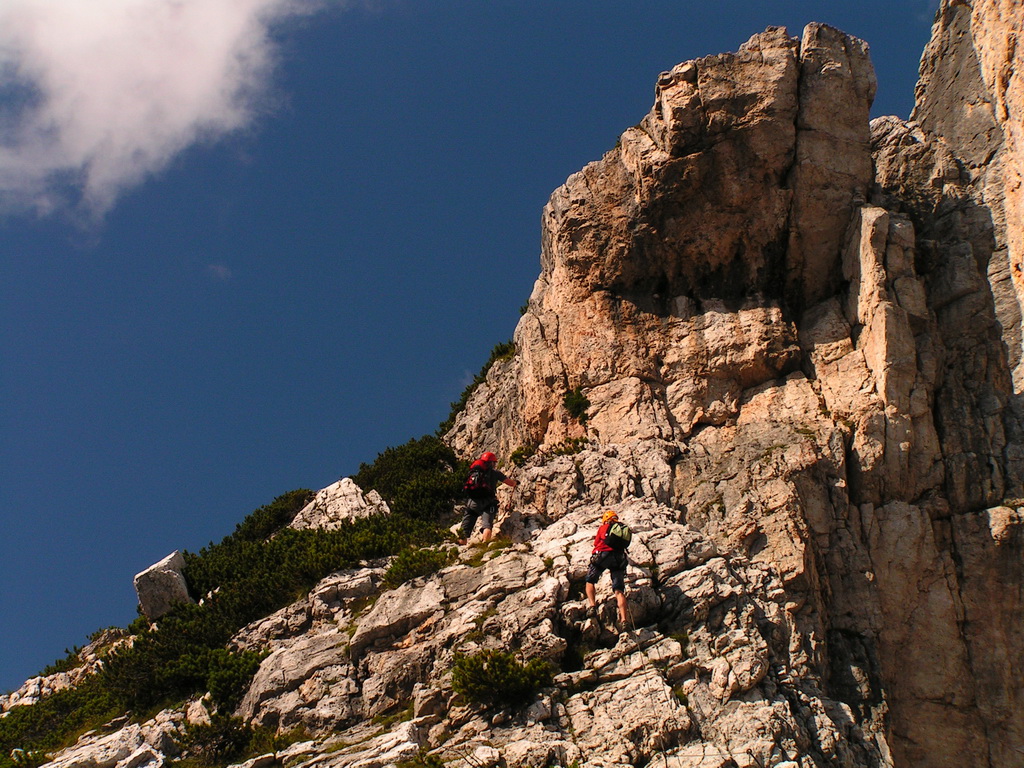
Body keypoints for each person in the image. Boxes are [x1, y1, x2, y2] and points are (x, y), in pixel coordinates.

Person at [458, 451, 517, 545]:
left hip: (473, 502)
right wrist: (515, 483)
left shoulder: (474, 472)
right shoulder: (495, 473)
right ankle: (485, 546)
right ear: (492, 463)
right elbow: (509, 483)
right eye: (494, 462)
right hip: (488, 503)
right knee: (487, 526)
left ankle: (459, 550)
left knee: (465, 529)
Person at [585, 510, 629, 627]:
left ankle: (592, 607)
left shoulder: (603, 528)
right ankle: (624, 621)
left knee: (590, 580)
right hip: (619, 558)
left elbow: (596, 543)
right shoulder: (621, 530)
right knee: (619, 590)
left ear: (605, 519)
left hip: (603, 555)